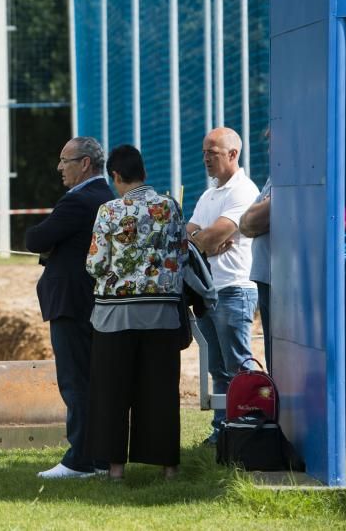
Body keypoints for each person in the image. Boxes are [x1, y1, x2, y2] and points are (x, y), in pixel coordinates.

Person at [85, 145, 188, 480]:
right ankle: (168, 467)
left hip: (116, 316)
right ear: (143, 171)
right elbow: (182, 253)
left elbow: (96, 263)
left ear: (116, 175)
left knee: (113, 393)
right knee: (160, 391)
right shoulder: (170, 207)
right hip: (162, 314)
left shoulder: (110, 211)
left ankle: (115, 470)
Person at [26, 136, 114, 479]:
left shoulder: (80, 200)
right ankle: (100, 457)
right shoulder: (105, 197)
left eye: (65, 160)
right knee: (92, 382)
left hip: (72, 303)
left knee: (76, 383)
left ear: (85, 164)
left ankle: (80, 460)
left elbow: (36, 238)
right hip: (91, 301)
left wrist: (49, 243)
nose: (59, 167)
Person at [186, 127, 259, 444]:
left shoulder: (243, 191)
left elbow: (211, 236)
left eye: (212, 153)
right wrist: (204, 242)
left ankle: (246, 429)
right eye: (204, 152)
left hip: (234, 289)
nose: (205, 158)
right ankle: (223, 431)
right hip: (209, 291)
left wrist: (204, 241)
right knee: (218, 368)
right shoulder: (209, 194)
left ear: (233, 154)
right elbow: (187, 236)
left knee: (237, 366)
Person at [239, 129, 271, 370]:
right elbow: (246, 223)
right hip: (266, 277)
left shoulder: (291, 175)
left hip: (280, 281)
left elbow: (255, 220)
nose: (268, 141)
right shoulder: (275, 177)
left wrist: (254, 217)